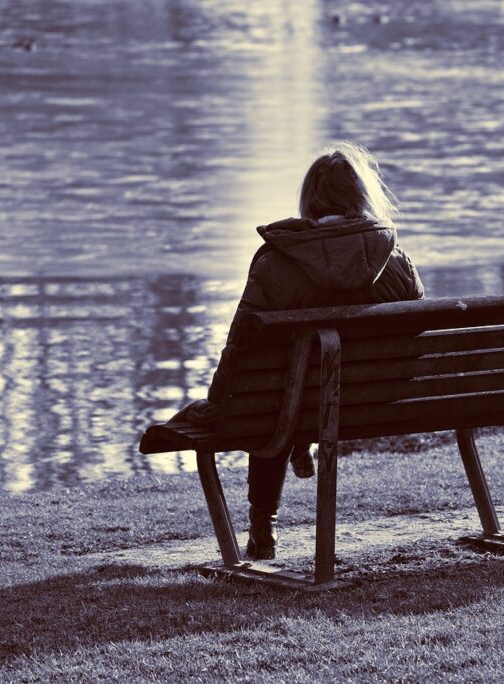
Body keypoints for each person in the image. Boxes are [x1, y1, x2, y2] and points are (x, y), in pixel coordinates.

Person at [170, 141, 425, 560]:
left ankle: (263, 530)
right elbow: (418, 340)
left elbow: (242, 349)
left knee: (274, 405)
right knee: (286, 398)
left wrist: (218, 403)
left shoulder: (275, 262)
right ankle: (298, 441)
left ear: (310, 198)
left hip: (288, 405)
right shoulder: (396, 261)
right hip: (378, 402)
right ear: (363, 196)